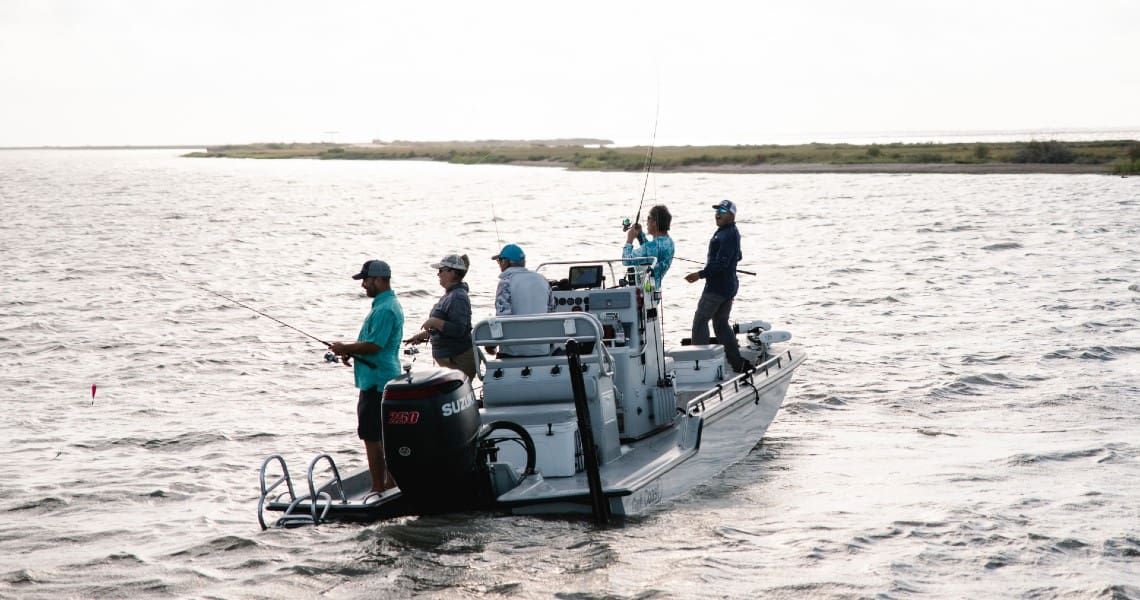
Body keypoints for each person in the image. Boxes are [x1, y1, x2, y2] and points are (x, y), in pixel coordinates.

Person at [329, 259, 405, 494]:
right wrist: (350, 352)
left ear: (380, 280)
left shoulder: (385, 309)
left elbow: (374, 345)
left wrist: (346, 348)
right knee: (381, 437)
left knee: (372, 438)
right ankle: (388, 484)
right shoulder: (384, 306)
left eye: (366, 279)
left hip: (377, 383)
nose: (363, 285)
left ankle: (378, 487)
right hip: (377, 379)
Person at [684, 199, 750, 373]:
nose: (718, 213)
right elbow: (738, 256)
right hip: (728, 286)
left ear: (732, 215)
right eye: (717, 210)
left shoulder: (727, 234)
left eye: (722, 210)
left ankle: (700, 365)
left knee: (700, 322)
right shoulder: (729, 232)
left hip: (717, 288)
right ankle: (737, 363)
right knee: (720, 323)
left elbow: (720, 264)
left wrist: (699, 274)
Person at [404, 254, 476, 381]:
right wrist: (422, 336)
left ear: (452, 273)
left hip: (458, 360)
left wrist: (434, 321)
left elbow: (459, 329)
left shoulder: (458, 297)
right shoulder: (450, 295)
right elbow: (444, 328)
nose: (438, 274)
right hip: (449, 359)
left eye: (441, 270)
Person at [491, 243, 555, 357]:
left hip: (514, 352)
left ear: (506, 262)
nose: (499, 264)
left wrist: (491, 344)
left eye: (499, 261)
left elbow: (502, 318)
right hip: (542, 350)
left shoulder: (506, 282)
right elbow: (551, 313)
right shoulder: (542, 280)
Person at [622, 204, 675, 289]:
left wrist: (630, 239)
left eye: (649, 218)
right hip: (654, 290)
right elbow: (649, 254)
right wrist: (640, 235)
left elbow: (626, 260)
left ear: (654, 222)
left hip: (645, 292)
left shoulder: (652, 247)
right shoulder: (669, 242)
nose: (647, 222)